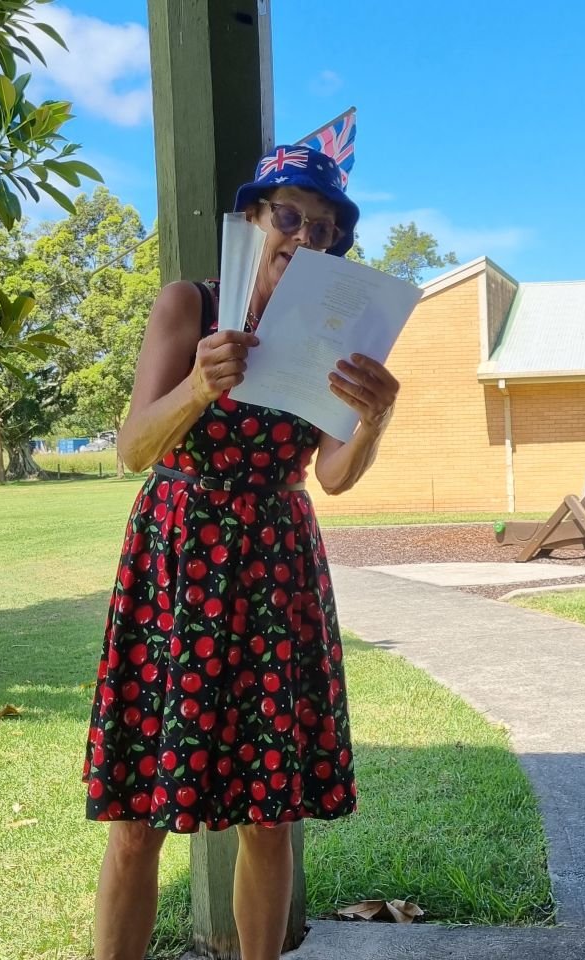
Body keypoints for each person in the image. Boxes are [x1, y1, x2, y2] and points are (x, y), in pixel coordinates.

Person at [82, 143, 399, 960]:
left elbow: (331, 476)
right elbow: (132, 448)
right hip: (177, 565)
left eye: (326, 229)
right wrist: (197, 385)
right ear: (252, 219)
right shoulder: (189, 305)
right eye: (289, 215)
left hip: (273, 568)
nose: (306, 236)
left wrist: (374, 420)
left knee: (271, 815)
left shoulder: (336, 332)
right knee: (137, 817)